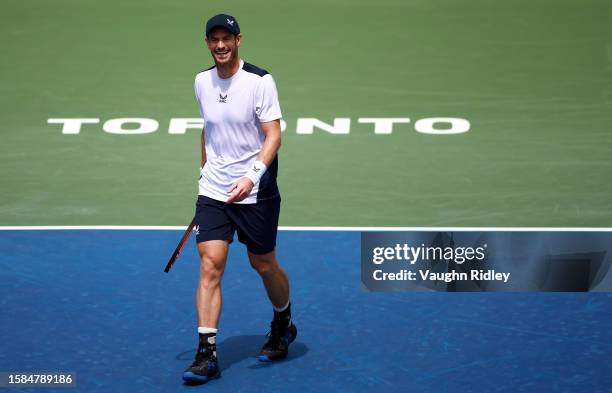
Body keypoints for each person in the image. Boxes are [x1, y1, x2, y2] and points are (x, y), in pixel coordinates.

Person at [182, 14, 297, 384]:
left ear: (238, 40)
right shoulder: (201, 81)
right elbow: (208, 129)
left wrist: (252, 176)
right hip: (214, 190)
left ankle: (283, 321)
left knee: (263, 264)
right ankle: (207, 353)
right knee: (210, 264)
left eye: (226, 39)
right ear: (207, 43)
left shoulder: (260, 81)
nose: (220, 45)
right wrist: (205, 174)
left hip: (255, 191)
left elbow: (273, 135)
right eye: (213, 39)